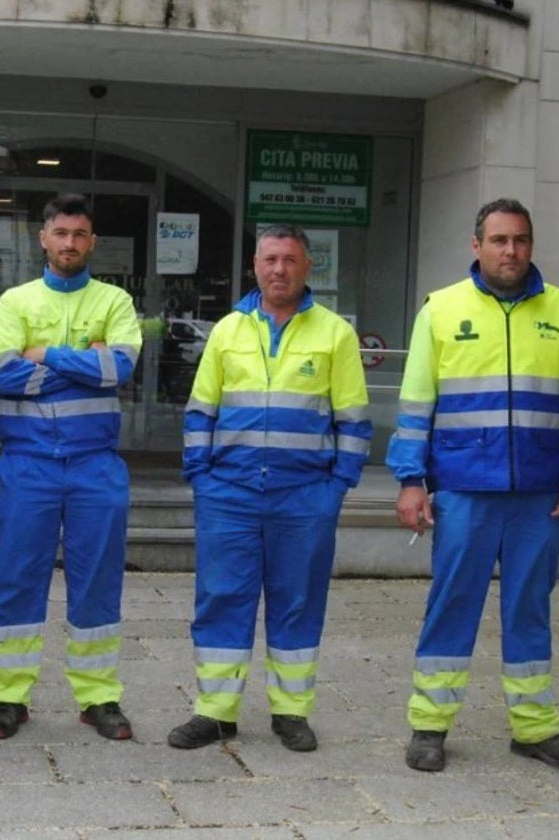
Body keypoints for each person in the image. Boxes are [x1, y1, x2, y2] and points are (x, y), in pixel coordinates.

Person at [388, 198, 559, 774]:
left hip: (541, 492)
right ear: (475, 245)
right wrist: (411, 481)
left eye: (522, 240)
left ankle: (534, 729)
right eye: (500, 240)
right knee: (452, 604)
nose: (512, 251)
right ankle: (429, 725)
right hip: (463, 489)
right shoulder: (440, 309)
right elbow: (415, 407)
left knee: (530, 607)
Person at [167, 224, 371, 753]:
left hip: (304, 497)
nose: (279, 269)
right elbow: (199, 412)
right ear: (255, 265)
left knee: (298, 602)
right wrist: (202, 478)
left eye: (290, 259)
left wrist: (336, 488)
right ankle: (214, 712)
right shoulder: (228, 330)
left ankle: (291, 712)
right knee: (220, 599)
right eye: (270, 259)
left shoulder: (335, 334)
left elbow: (353, 420)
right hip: (228, 494)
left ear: (308, 267)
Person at [0, 193, 143, 741]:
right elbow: (3, 374)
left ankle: (98, 698)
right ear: (42, 238)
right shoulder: (15, 301)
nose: (70, 243)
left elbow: (119, 367)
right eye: (60, 233)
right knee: (16, 576)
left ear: (91, 242)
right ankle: (8, 698)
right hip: (28, 463)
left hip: (96, 464)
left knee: (97, 579)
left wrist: (44, 354)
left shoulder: (116, 301)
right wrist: (87, 362)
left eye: (80, 234)